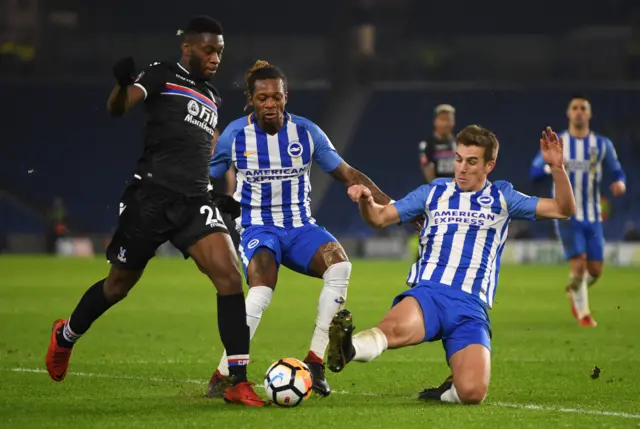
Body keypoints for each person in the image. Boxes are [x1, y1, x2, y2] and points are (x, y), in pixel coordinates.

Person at [44, 16, 264, 407]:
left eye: (220, 51)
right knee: (118, 286)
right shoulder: (162, 75)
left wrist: (216, 195)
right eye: (209, 49)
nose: (216, 57)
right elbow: (119, 107)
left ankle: (237, 380)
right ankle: (66, 336)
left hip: (195, 203)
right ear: (188, 48)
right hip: (151, 198)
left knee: (230, 278)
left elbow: (203, 154)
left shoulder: (212, 96)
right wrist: (123, 85)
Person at [326, 125, 576, 405]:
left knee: (472, 393)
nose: (462, 168)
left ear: (489, 165)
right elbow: (380, 218)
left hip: (471, 306)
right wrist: (366, 201)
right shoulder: (433, 192)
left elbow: (563, 209)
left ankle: (448, 390)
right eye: (458, 159)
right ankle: (348, 349)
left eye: (471, 161)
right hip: (430, 294)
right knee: (391, 331)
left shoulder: (503, 197)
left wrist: (557, 167)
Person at [207, 60, 391, 398]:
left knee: (340, 265)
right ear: (252, 99)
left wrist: (393, 207)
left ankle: (316, 363)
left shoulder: (306, 132)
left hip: (300, 227)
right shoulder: (235, 135)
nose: (270, 105)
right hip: (257, 227)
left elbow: (349, 174)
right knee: (262, 290)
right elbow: (208, 174)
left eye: (276, 97)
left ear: (286, 97)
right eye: (262, 98)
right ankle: (225, 374)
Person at [530, 95, 626, 327]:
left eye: (584, 108)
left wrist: (620, 183)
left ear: (589, 114)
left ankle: (575, 286)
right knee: (579, 265)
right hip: (566, 214)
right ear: (569, 113)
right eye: (575, 108)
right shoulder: (559, 141)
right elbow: (534, 171)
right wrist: (550, 166)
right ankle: (584, 315)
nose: (579, 111)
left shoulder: (602, 145)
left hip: (593, 216)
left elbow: (617, 172)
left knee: (595, 270)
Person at [418, 104, 456, 183]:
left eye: (449, 119)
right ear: (435, 121)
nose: (446, 123)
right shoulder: (427, 144)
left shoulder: (458, 143)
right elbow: (428, 173)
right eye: (442, 119)